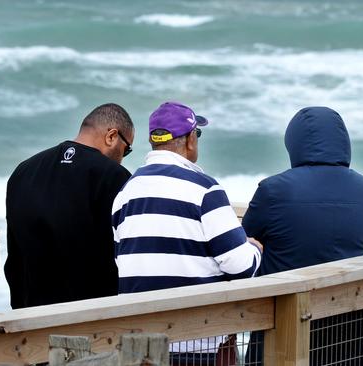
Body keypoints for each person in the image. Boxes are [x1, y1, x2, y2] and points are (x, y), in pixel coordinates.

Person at [112, 101, 262, 366]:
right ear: (191, 139)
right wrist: (254, 249)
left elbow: (120, 259)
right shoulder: (204, 190)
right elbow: (240, 266)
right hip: (194, 339)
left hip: (138, 339)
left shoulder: (125, 193)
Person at [243, 106, 363, 365]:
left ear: (294, 143)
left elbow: (246, 239)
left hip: (283, 316)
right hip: (349, 321)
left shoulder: (273, 190)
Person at [5, 103, 135, 309]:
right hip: (91, 318)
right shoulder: (114, 177)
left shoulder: (23, 172)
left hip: (30, 316)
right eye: (126, 149)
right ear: (111, 136)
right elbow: (124, 254)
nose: (122, 157)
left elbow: (15, 256)